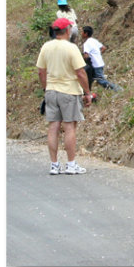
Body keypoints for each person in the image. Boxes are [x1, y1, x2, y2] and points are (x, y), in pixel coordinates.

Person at [36, 18, 93, 175]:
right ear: (68, 30)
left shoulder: (46, 47)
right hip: (69, 91)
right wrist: (87, 93)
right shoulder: (71, 48)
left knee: (53, 126)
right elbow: (80, 72)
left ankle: (54, 165)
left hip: (51, 91)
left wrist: (46, 88)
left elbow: (41, 71)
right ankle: (71, 164)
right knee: (69, 126)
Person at [81, 26, 123, 92]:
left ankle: (118, 89)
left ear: (85, 34)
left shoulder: (86, 44)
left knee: (101, 81)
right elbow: (103, 48)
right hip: (99, 63)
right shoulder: (94, 40)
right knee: (90, 80)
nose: (81, 33)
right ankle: (88, 94)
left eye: (82, 32)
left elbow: (86, 56)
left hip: (95, 65)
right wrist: (97, 55)